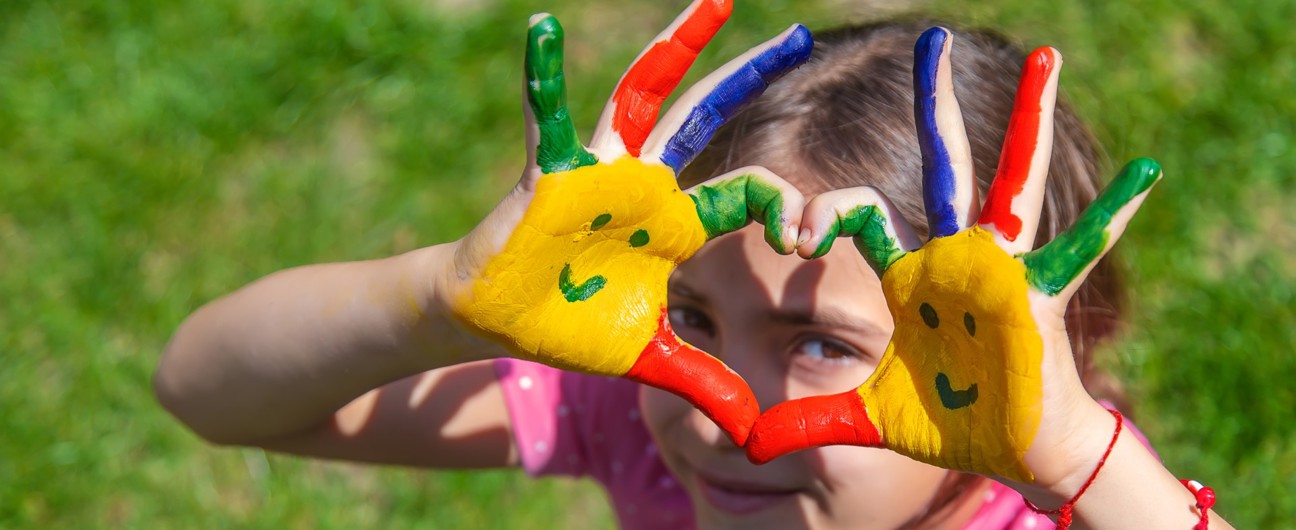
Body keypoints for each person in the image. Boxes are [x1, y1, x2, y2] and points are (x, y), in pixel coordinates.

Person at [154, 2, 1231, 529]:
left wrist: (1078, 454)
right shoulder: (634, 410)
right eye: (696, 316)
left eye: (819, 341)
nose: (722, 411)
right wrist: (441, 301)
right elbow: (207, 389)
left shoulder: (1058, 505)